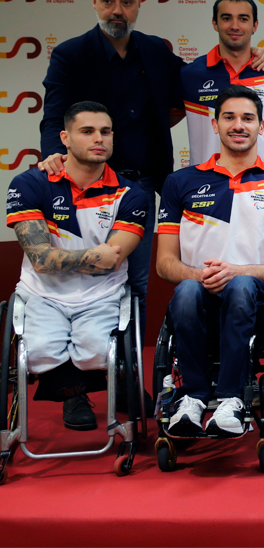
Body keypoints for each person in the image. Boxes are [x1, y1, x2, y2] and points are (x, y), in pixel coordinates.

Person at [39, 0, 264, 333]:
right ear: (94, 3)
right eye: (109, 1)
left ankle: (133, 380)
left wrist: (245, 57)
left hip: (143, 187)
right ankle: (86, 378)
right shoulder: (70, 54)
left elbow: (201, 79)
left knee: (137, 287)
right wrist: (53, 152)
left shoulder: (155, 52)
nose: (118, 10)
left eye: (126, 2)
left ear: (138, 6)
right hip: (85, 187)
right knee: (84, 283)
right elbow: (54, 116)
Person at [157, 86, 264, 437]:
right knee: (185, 290)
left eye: (247, 118)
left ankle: (231, 399)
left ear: (261, 127)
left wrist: (237, 271)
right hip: (199, 293)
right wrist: (200, 275)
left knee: (239, 285)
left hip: (261, 301)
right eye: (229, 117)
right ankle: (192, 399)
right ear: (214, 125)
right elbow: (165, 263)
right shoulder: (180, 182)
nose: (238, 125)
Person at [7, 101, 146, 430]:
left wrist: (66, 259)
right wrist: (91, 256)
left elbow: (109, 263)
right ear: (65, 138)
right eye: (87, 131)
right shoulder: (30, 184)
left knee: (97, 356)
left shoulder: (131, 193)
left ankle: (102, 392)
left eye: (105, 132)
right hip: (43, 295)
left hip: (102, 295)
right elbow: (40, 260)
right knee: (38, 356)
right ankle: (72, 396)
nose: (99, 138)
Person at [180, 0, 264, 178]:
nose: (235, 26)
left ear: (254, 25)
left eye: (243, 19)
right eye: (226, 18)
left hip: (261, 192)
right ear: (215, 24)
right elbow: (161, 124)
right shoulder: (189, 75)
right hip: (205, 191)